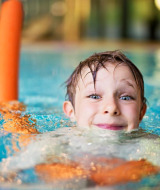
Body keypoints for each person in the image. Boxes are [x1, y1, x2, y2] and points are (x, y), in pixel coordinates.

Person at [63, 50, 147, 132]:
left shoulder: (151, 143)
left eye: (125, 98)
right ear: (71, 111)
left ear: (141, 113)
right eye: (94, 97)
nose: (112, 108)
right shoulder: (58, 141)